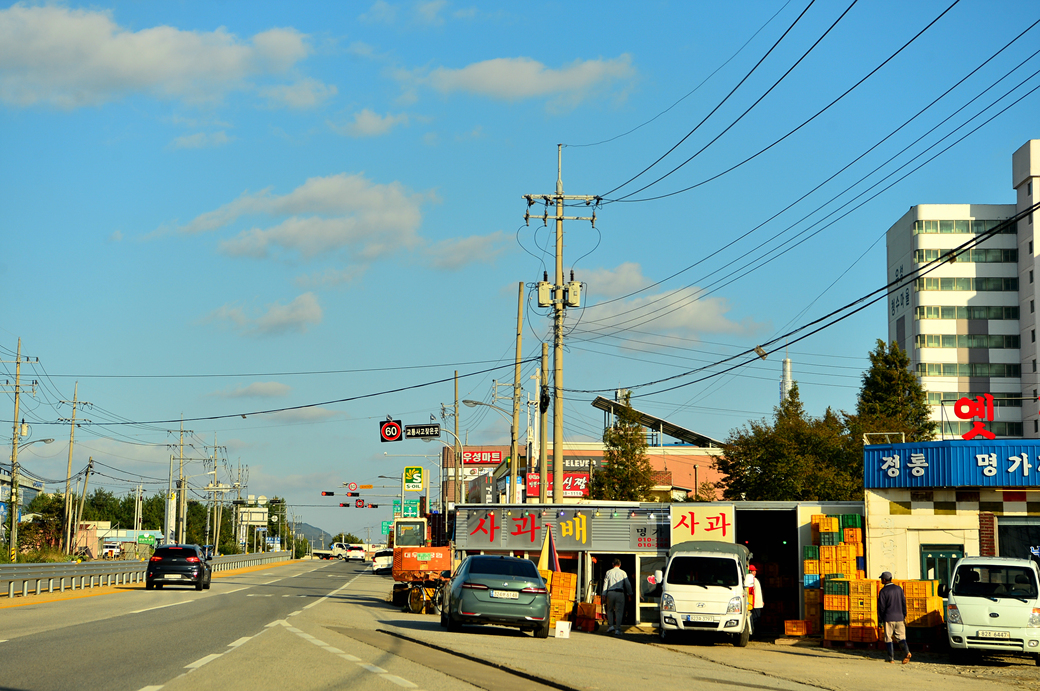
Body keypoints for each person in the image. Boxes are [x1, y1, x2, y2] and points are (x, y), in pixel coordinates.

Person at [877, 571, 911, 664]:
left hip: (889, 617)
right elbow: (903, 602)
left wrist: (880, 619)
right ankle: (907, 653)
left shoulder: (883, 591)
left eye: (882, 579)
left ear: (884, 580)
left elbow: (881, 607)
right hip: (900, 617)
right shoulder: (899, 589)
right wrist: (904, 614)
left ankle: (891, 658)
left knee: (888, 638)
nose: (881, 580)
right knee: (901, 637)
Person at [602, 558, 633, 635]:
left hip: (610, 593)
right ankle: (618, 629)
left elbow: (605, 584)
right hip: (620, 593)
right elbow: (627, 584)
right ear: (620, 565)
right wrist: (629, 594)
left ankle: (611, 626)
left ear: (613, 564)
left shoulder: (608, 572)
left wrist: (604, 594)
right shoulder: (623, 573)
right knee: (619, 611)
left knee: (609, 610)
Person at [748, 564, 765, 635]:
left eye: (755, 571)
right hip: (754, 603)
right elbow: (750, 591)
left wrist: (761, 601)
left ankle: (757, 633)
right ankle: (755, 634)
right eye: (753, 571)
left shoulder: (755, 580)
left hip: (757, 602)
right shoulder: (750, 580)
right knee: (755, 619)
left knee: (757, 618)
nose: (754, 572)